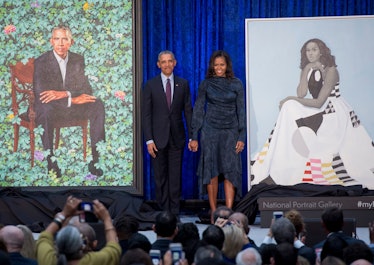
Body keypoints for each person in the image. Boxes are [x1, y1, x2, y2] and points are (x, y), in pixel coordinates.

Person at [251, 38, 374, 186]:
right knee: (289, 107)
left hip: (333, 111)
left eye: (314, 49)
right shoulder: (308, 69)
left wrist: (290, 98)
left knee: (290, 103)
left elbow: (319, 102)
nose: (310, 53)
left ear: (321, 51)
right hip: (319, 108)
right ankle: (278, 162)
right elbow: (302, 93)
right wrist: (306, 71)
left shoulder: (331, 70)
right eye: (307, 50)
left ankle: (293, 165)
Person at [33, 25, 105, 178]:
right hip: (50, 107)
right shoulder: (41, 61)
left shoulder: (78, 59)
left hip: (70, 105)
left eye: (65, 39)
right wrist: (72, 99)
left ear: (71, 42)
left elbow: (85, 89)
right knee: (45, 110)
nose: (60, 43)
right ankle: (51, 162)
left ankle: (95, 160)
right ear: (51, 41)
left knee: (97, 104)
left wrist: (64, 94)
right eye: (57, 39)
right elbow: (42, 94)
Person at [190, 50, 246, 222]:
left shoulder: (236, 84)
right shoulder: (206, 84)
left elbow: (241, 111)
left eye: (222, 64)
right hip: (210, 130)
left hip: (231, 131)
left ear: (227, 66)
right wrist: (194, 135)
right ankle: (214, 212)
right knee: (211, 170)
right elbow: (199, 110)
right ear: (212, 67)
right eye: (216, 65)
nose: (219, 68)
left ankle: (229, 212)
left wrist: (241, 136)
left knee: (230, 170)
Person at [142, 50, 193, 214]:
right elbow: (146, 114)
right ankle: (163, 213)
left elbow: (188, 112)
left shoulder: (183, 84)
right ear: (158, 64)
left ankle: (175, 213)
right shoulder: (150, 85)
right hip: (157, 140)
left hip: (177, 138)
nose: (167, 64)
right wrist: (149, 140)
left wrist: (193, 136)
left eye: (170, 61)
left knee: (175, 177)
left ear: (175, 63)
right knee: (160, 177)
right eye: (163, 62)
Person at [35, 195, 121, 265]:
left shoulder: (48, 260)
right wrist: (106, 218)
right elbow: (114, 248)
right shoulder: (95, 261)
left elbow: (44, 237)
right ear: (81, 245)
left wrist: (64, 214)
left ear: (58, 243)